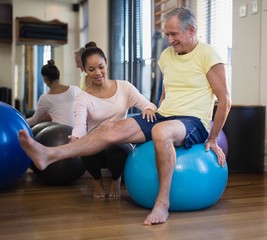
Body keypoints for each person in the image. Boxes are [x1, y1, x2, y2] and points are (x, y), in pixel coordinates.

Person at [19, 7, 231, 225]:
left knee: (160, 131)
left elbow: (224, 100)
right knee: (110, 128)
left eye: (173, 34)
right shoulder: (167, 56)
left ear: (191, 30)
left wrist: (213, 138)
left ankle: (162, 203)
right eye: (167, 34)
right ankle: (49, 155)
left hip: (193, 121)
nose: (169, 40)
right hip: (165, 115)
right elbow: (167, 92)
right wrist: (156, 110)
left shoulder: (209, 55)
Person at [70, 41, 157, 199]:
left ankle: (116, 179)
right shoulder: (82, 97)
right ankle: (97, 181)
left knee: (117, 152)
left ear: (107, 64)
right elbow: (80, 125)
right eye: (91, 69)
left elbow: (147, 104)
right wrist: (76, 139)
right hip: (96, 141)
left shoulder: (125, 87)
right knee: (87, 151)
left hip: (118, 140)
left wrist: (149, 109)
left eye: (101, 67)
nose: (98, 72)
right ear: (84, 70)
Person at [26, 59, 81, 128]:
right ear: (58, 75)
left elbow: (34, 120)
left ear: (45, 79)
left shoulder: (45, 98)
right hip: (79, 132)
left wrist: (21, 121)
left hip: (60, 133)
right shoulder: (75, 89)